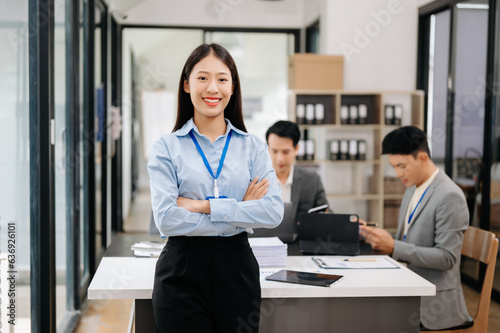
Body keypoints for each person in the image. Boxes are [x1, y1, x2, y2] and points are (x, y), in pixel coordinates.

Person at [148, 43, 283, 333]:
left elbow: (272, 212)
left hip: (237, 271)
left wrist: (203, 206)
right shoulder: (165, 148)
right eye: (202, 78)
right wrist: (240, 212)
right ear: (186, 85)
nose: (213, 88)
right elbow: (167, 219)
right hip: (181, 272)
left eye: (222, 79)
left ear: (233, 87)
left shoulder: (254, 147)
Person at [359, 126, 470, 331]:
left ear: (422, 158)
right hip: (408, 285)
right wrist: (373, 234)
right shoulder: (413, 188)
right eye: (393, 166)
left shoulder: (449, 196)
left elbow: (447, 258)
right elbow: (410, 240)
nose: (397, 173)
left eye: (402, 166)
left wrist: (393, 246)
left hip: (434, 304)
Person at [266, 120, 328, 224]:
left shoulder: (312, 180)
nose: (280, 158)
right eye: (274, 151)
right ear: (267, 148)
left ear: (296, 149)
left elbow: (325, 213)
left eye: (286, 152)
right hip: (263, 240)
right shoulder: (256, 181)